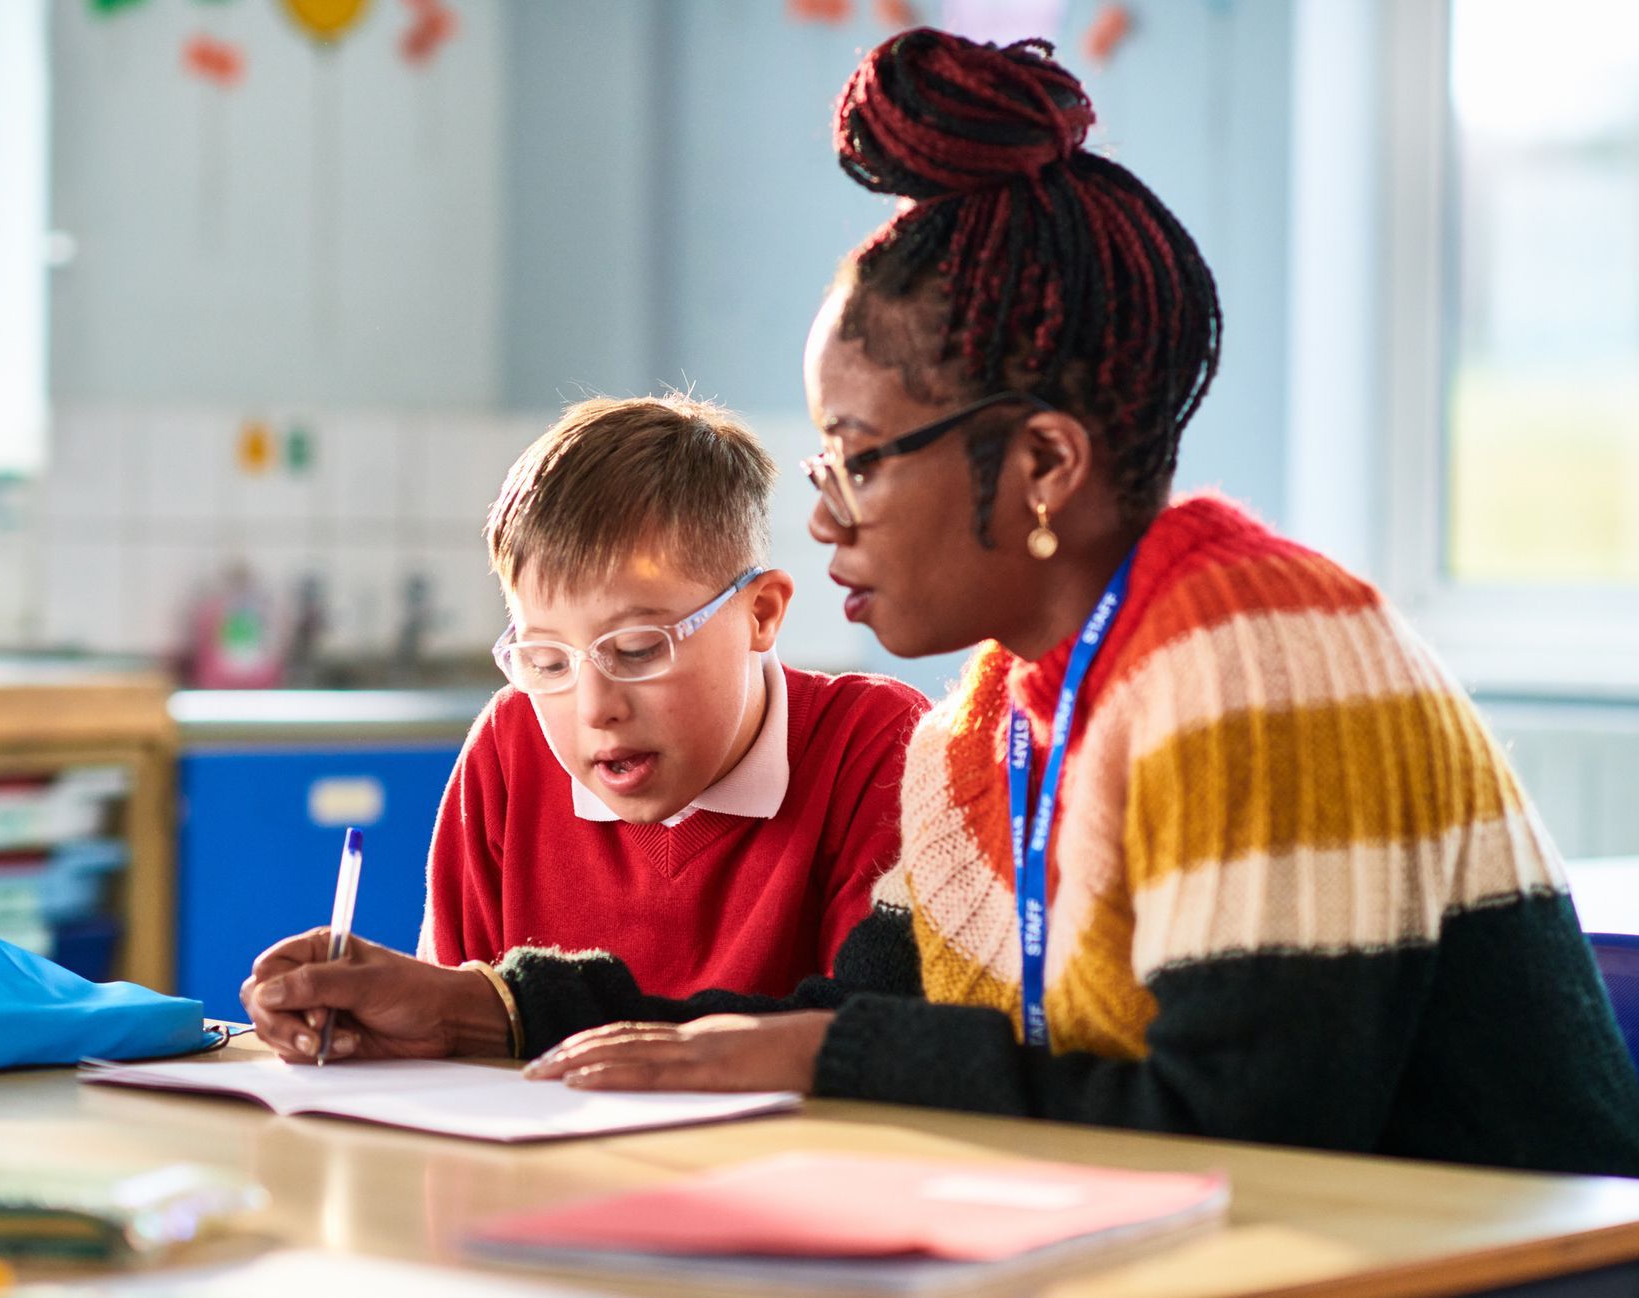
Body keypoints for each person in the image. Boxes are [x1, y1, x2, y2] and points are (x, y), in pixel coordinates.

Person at [244, 32, 1639, 1177]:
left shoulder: (1257, 657)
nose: (828, 511)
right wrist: (480, 1005)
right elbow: (840, 1017)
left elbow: (1246, 1133)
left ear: (1040, 464)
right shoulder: (994, 718)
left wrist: (824, 1052)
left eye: (860, 457)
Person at [388, 395, 927, 1000]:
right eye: (547, 661)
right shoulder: (511, 746)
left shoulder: (877, 745)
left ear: (761, 613)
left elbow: (866, 1040)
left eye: (639, 649)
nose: (595, 708)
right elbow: (453, 1028)